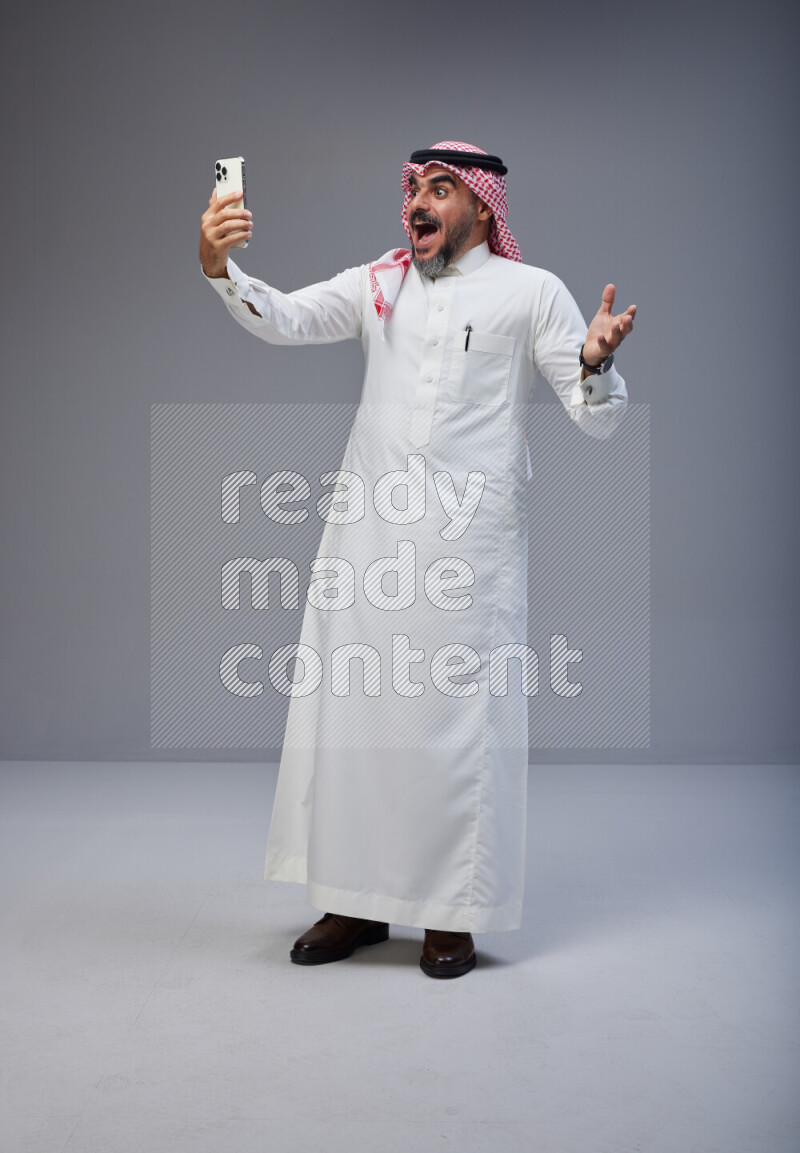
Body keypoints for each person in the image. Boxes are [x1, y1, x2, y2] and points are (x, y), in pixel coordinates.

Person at [200, 141, 636, 979]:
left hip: (469, 552)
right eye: (414, 189)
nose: (420, 203)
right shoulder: (381, 283)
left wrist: (596, 361)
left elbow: (596, 415)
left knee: (452, 731)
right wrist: (220, 270)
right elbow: (286, 316)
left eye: (441, 188)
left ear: (482, 205)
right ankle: (353, 902)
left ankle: (448, 913)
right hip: (368, 541)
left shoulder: (530, 291)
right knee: (355, 719)